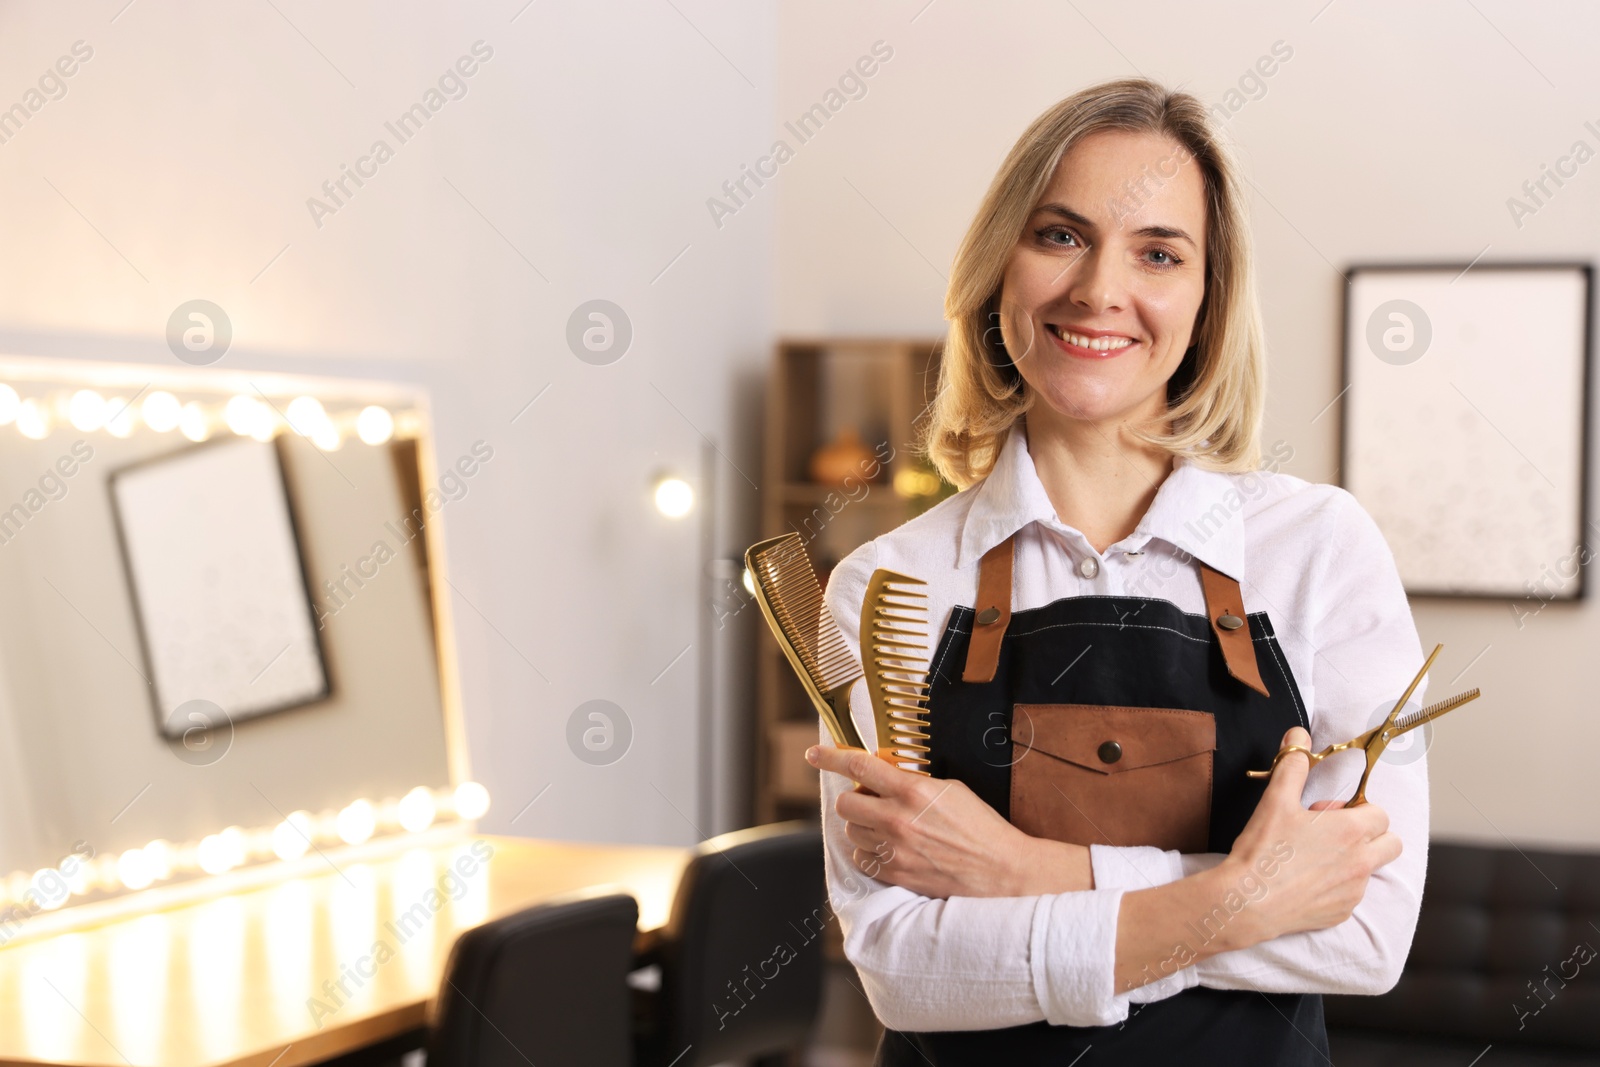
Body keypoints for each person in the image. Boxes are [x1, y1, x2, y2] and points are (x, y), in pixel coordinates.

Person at [806, 77, 1427, 1065]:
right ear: (996, 265)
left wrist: (1022, 870)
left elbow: (1362, 935)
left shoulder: (1317, 547)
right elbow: (903, 968)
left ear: (1206, 295)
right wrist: (1234, 901)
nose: (1098, 290)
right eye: (1059, 235)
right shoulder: (889, 582)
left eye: (1157, 252)